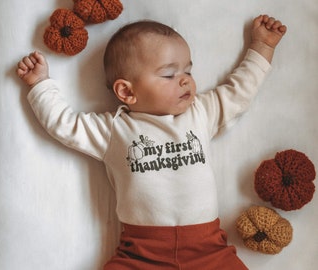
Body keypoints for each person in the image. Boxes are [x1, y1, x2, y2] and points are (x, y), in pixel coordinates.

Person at [17, 14, 286, 270]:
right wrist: (40, 85)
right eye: (169, 75)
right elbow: (65, 124)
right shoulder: (115, 129)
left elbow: (239, 92)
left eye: (188, 71)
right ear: (127, 91)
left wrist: (261, 47)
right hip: (140, 253)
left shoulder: (201, 112)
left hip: (209, 249)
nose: (184, 80)